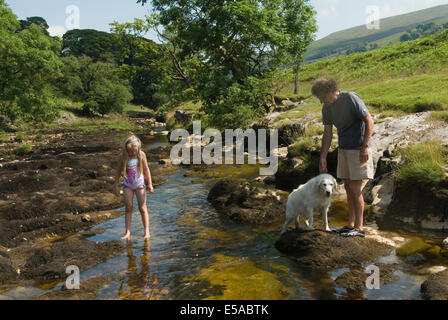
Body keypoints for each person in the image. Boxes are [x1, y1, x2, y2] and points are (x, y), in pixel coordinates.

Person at [312, 77, 374, 238]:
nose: (321, 101)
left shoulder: (350, 98)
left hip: (358, 149)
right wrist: (323, 157)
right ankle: (350, 224)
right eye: (319, 98)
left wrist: (365, 147)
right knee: (347, 187)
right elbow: (327, 134)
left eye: (323, 97)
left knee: (355, 188)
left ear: (333, 92)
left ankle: (360, 228)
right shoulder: (326, 108)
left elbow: (369, 120)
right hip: (343, 149)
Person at [114, 135, 154, 240]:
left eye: (134, 152)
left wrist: (150, 183)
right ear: (126, 150)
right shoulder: (122, 156)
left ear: (138, 149)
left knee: (142, 208)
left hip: (140, 185)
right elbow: (118, 171)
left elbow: (146, 170)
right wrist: (116, 186)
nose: (132, 154)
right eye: (130, 152)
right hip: (127, 185)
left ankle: (146, 232)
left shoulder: (141, 155)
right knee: (128, 207)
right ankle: (127, 232)